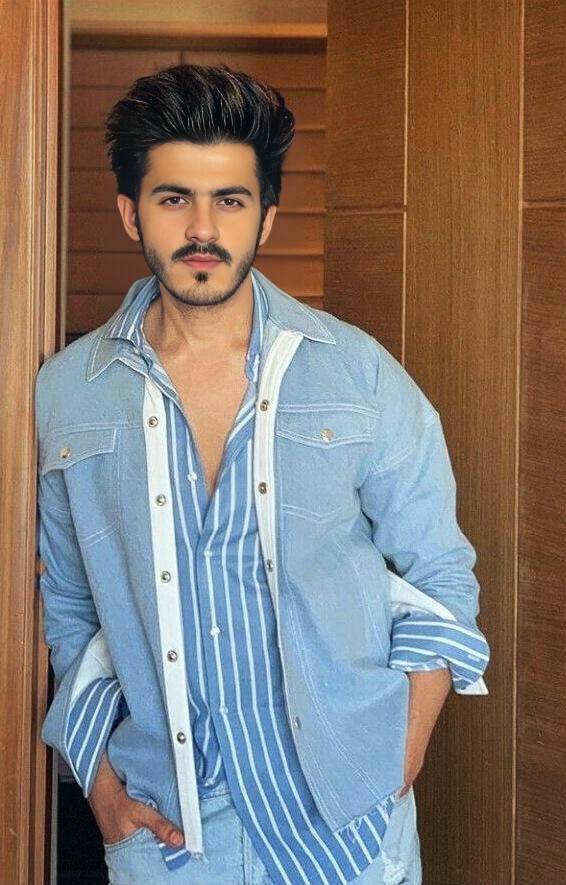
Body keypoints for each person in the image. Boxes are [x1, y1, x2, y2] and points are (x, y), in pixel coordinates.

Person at [36, 64, 489, 885]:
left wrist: (403, 752)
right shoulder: (67, 392)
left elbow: (441, 572)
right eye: (174, 198)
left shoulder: (357, 374)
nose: (203, 228)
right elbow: (68, 610)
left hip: (345, 825)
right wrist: (100, 789)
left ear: (267, 217)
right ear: (131, 211)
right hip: (169, 835)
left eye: (231, 200)